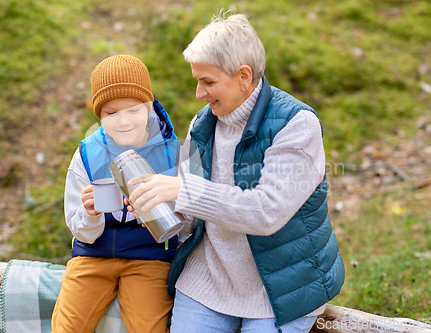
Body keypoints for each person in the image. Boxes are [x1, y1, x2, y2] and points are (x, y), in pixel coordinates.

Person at [125, 12, 345, 333]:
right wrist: (158, 207)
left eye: (208, 82)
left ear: (244, 76)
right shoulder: (204, 122)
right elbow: (194, 212)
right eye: (197, 81)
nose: (199, 93)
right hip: (209, 278)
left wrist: (182, 192)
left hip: (283, 286)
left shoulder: (296, 125)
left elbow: (265, 213)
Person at [51, 55, 179, 333]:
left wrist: (166, 211)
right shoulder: (87, 153)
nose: (123, 122)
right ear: (98, 114)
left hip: (150, 256)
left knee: (150, 328)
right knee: (67, 328)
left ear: (149, 106)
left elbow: (190, 219)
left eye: (133, 110)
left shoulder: (174, 152)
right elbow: (81, 231)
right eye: (111, 113)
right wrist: (91, 213)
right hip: (93, 254)